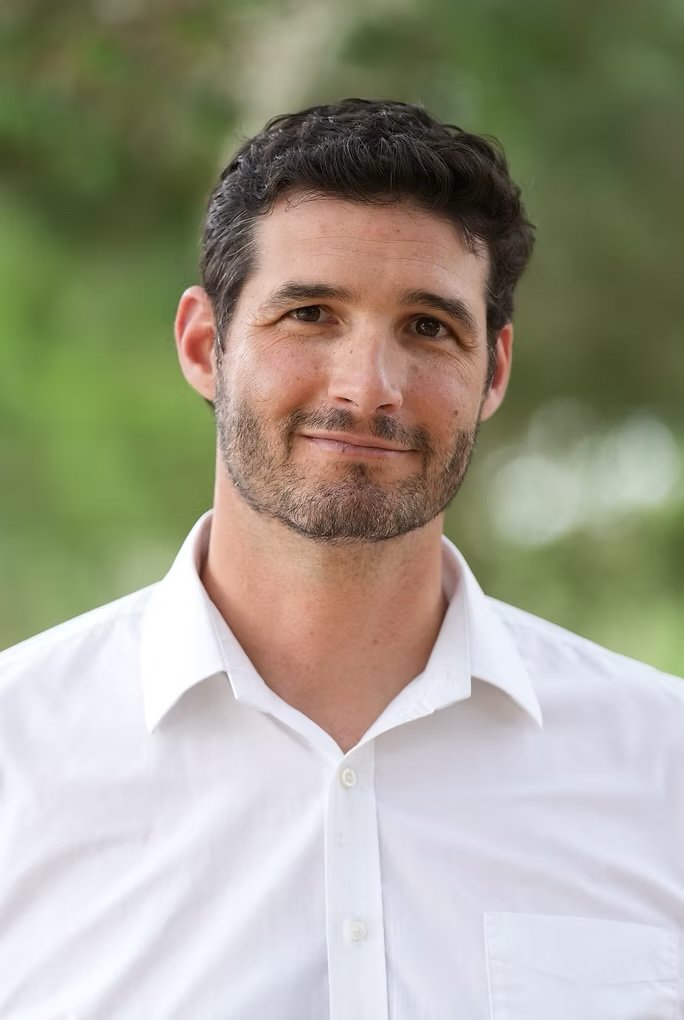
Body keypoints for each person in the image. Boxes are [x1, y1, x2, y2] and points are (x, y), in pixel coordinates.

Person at [0, 98, 681, 1020]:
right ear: (207, 347)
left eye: (429, 328)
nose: (369, 389)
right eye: (312, 314)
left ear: (495, 372)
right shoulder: (19, 755)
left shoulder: (661, 768)